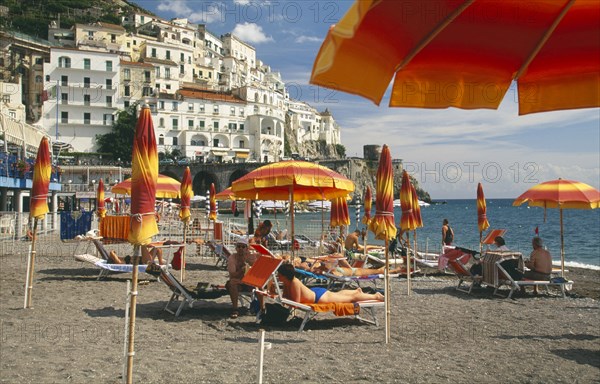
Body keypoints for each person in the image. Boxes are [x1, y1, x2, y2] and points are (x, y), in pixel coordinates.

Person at [277, 263, 384, 304]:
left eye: (279, 275)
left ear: (285, 275)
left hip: (319, 298)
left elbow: (295, 303)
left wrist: (279, 298)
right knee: (338, 294)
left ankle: (376, 295)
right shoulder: (288, 282)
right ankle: (356, 291)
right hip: (315, 293)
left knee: (352, 299)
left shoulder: (294, 283)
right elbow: (286, 297)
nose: (278, 276)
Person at [226, 238, 258, 318]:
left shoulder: (251, 257)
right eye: (239, 246)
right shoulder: (232, 258)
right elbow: (232, 275)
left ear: (246, 248)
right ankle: (235, 309)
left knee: (260, 283)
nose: (240, 248)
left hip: (249, 283)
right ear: (236, 248)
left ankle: (260, 308)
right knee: (232, 283)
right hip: (238, 282)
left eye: (243, 247)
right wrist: (241, 270)